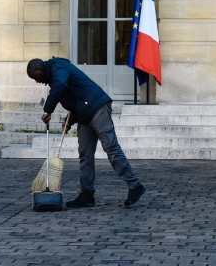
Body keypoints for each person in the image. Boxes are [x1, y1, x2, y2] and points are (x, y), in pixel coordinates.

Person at [26, 57, 146, 208]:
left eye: (35, 77)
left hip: (97, 108)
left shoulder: (58, 67)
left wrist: (47, 110)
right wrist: (68, 122)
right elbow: (75, 102)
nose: (37, 81)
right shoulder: (55, 76)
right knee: (85, 154)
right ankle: (87, 194)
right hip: (85, 113)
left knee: (111, 148)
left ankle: (135, 185)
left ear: (39, 69)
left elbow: (61, 85)